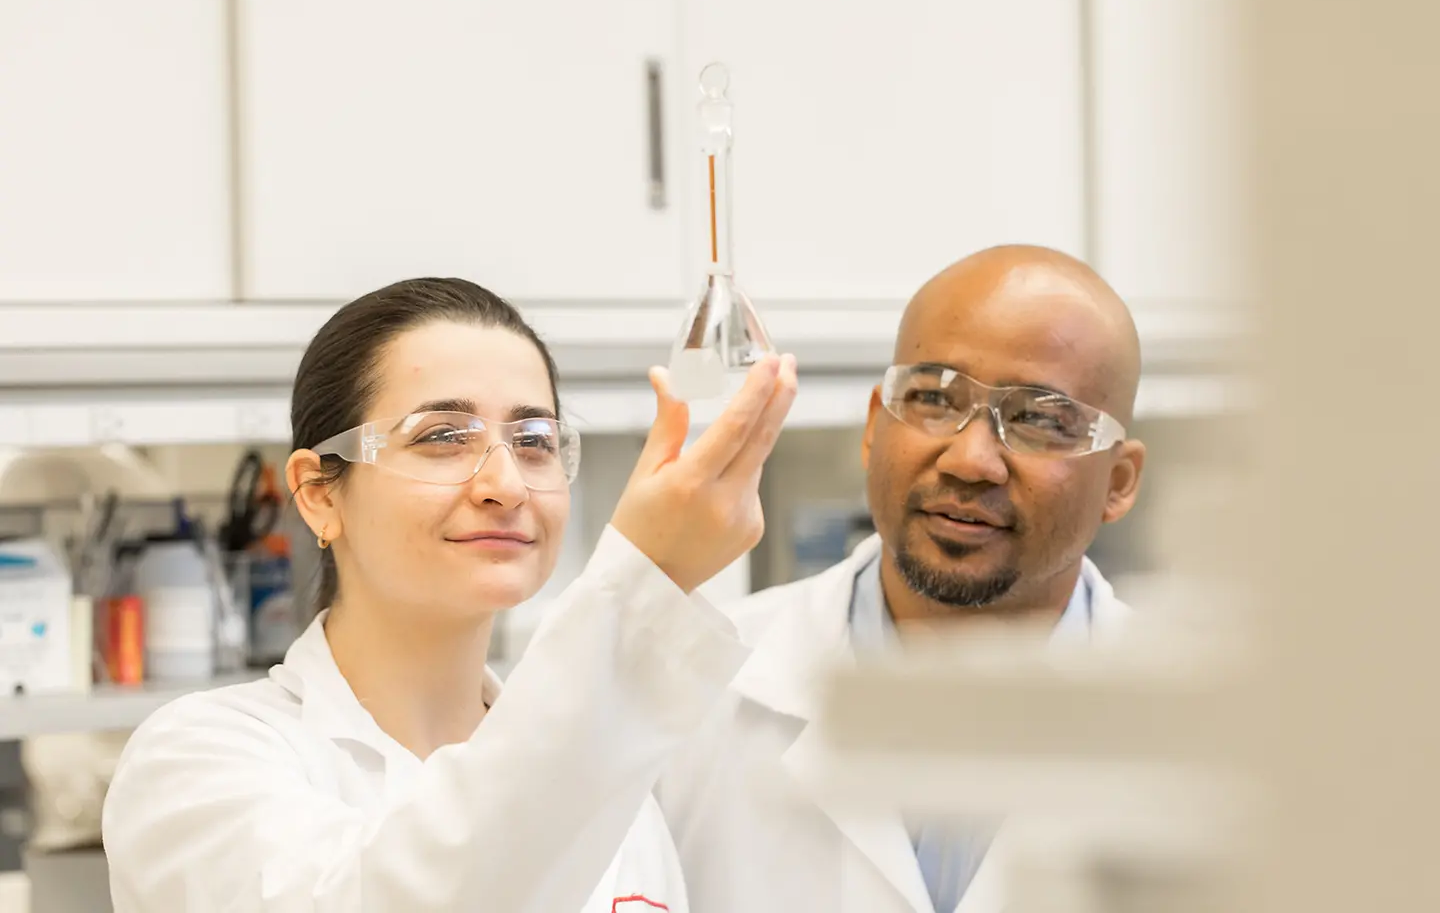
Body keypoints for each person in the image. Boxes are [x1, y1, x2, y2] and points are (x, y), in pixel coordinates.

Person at [101, 277, 799, 912]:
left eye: (533, 440)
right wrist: (642, 583)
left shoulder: (618, 797)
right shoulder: (199, 761)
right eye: (442, 437)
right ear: (318, 494)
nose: (507, 484)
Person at [657, 245, 1148, 913]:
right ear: (873, 427)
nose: (972, 460)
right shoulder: (686, 689)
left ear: (1118, 483)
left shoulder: (1230, 745)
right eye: (934, 398)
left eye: (1038, 418)